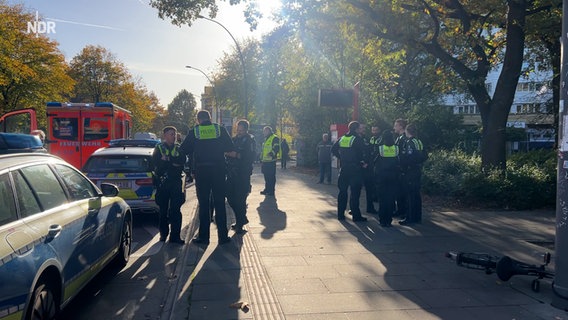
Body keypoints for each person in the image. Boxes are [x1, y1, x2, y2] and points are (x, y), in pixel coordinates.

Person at [180, 110, 234, 245]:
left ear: (198, 120)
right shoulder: (219, 129)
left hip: (202, 171)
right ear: (209, 118)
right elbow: (230, 147)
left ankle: (204, 237)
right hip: (219, 170)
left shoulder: (195, 131)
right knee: (220, 203)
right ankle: (223, 237)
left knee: (204, 204)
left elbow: (184, 149)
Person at [152, 126, 187, 244]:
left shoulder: (179, 148)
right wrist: (171, 162)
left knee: (176, 210)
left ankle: (175, 236)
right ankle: (163, 234)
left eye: (174, 133)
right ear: (165, 136)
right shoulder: (159, 148)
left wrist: (168, 160)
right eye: (171, 134)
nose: (173, 136)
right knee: (163, 211)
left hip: (176, 182)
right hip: (163, 183)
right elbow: (155, 163)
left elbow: (181, 162)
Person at [331, 121, 368, 222]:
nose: (361, 130)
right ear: (356, 129)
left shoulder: (342, 138)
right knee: (355, 193)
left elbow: (333, 149)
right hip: (355, 169)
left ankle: (340, 215)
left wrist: (341, 157)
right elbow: (363, 152)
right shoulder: (357, 139)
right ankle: (356, 216)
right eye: (360, 128)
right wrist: (363, 162)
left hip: (344, 169)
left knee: (342, 192)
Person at [225, 119, 255, 234]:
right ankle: (242, 218)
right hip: (232, 173)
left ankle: (240, 224)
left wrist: (236, 155)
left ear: (246, 130)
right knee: (229, 196)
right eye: (238, 130)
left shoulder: (250, 140)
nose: (239, 132)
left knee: (240, 200)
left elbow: (251, 157)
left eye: (241, 130)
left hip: (243, 174)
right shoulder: (234, 139)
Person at [399, 123, 426, 225]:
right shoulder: (418, 141)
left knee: (410, 195)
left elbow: (408, 157)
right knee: (416, 194)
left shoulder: (409, 142)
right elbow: (425, 155)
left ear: (407, 131)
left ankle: (409, 218)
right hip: (417, 169)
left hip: (410, 171)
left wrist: (404, 167)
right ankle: (417, 217)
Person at [374, 130, 399, 227]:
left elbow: (374, 160)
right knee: (390, 198)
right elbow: (399, 161)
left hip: (381, 176)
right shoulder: (396, 148)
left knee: (382, 199)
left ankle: (382, 219)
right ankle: (389, 220)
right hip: (393, 176)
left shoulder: (380, 148)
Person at [364, 125, 381, 214]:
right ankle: (371, 205)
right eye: (373, 130)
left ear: (379, 130)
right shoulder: (371, 139)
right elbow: (369, 151)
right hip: (370, 166)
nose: (374, 132)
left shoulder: (381, 139)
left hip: (378, 165)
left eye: (376, 130)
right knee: (370, 187)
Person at [393, 118, 408, 218]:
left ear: (401, 126)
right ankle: (400, 210)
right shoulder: (399, 137)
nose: (394, 127)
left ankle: (403, 211)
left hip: (403, 169)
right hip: (398, 168)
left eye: (396, 125)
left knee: (402, 191)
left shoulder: (404, 138)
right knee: (398, 191)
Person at [260, 126, 280, 196]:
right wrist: (261, 158)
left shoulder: (274, 138)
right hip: (265, 161)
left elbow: (276, 147)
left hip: (271, 161)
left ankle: (271, 191)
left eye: (264, 131)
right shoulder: (266, 139)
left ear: (268, 131)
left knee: (271, 177)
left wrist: (271, 154)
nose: (263, 133)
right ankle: (267, 189)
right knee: (266, 176)